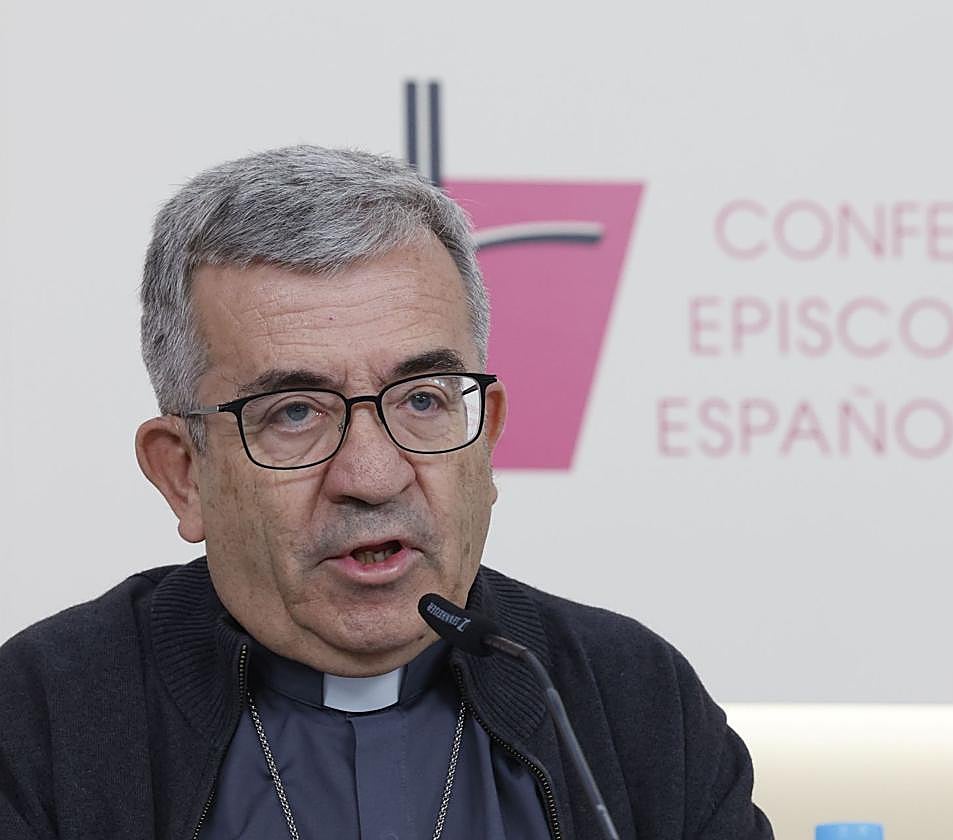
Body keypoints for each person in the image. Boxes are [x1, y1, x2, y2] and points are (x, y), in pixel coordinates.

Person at [0, 146, 773, 840]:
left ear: (489, 436)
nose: (372, 477)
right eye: (294, 413)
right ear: (184, 474)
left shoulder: (630, 697)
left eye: (423, 400)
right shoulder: (39, 717)